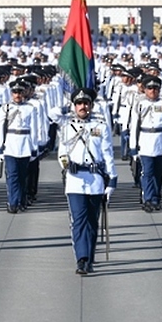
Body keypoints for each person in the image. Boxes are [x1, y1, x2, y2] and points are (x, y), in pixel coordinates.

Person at [58, 87, 116, 274]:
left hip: (95, 179)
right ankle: (81, 258)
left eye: (86, 103)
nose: (83, 107)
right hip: (75, 180)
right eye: (79, 104)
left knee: (92, 222)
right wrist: (67, 165)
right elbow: (62, 153)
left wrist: (112, 179)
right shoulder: (67, 127)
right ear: (74, 106)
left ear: (91, 105)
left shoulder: (100, 127)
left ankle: (89, 256)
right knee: (79, 220)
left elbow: (108, 154)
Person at [129, 75, 162, 212]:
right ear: (144, 89)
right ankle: (148, 198)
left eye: (155, 88)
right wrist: (133, 146)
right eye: (149, 88)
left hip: (160, 141)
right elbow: (134, 126)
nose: (153, 91)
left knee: (158, 173)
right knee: (147, 172)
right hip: (145, 140)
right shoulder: (140, 103)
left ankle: (156, 197)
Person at [0, 79, 40, 213]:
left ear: (24, 92)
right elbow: (0, 128)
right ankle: (13, 202)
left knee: (23, 176)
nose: (17, 95)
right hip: (10, 145)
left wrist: (34, 148)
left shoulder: (30, 108)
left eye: (20, 92)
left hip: (25, 144)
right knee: (13, 176)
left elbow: (34, 129)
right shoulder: (6, 108)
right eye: (15, 92)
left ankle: (21, 200)